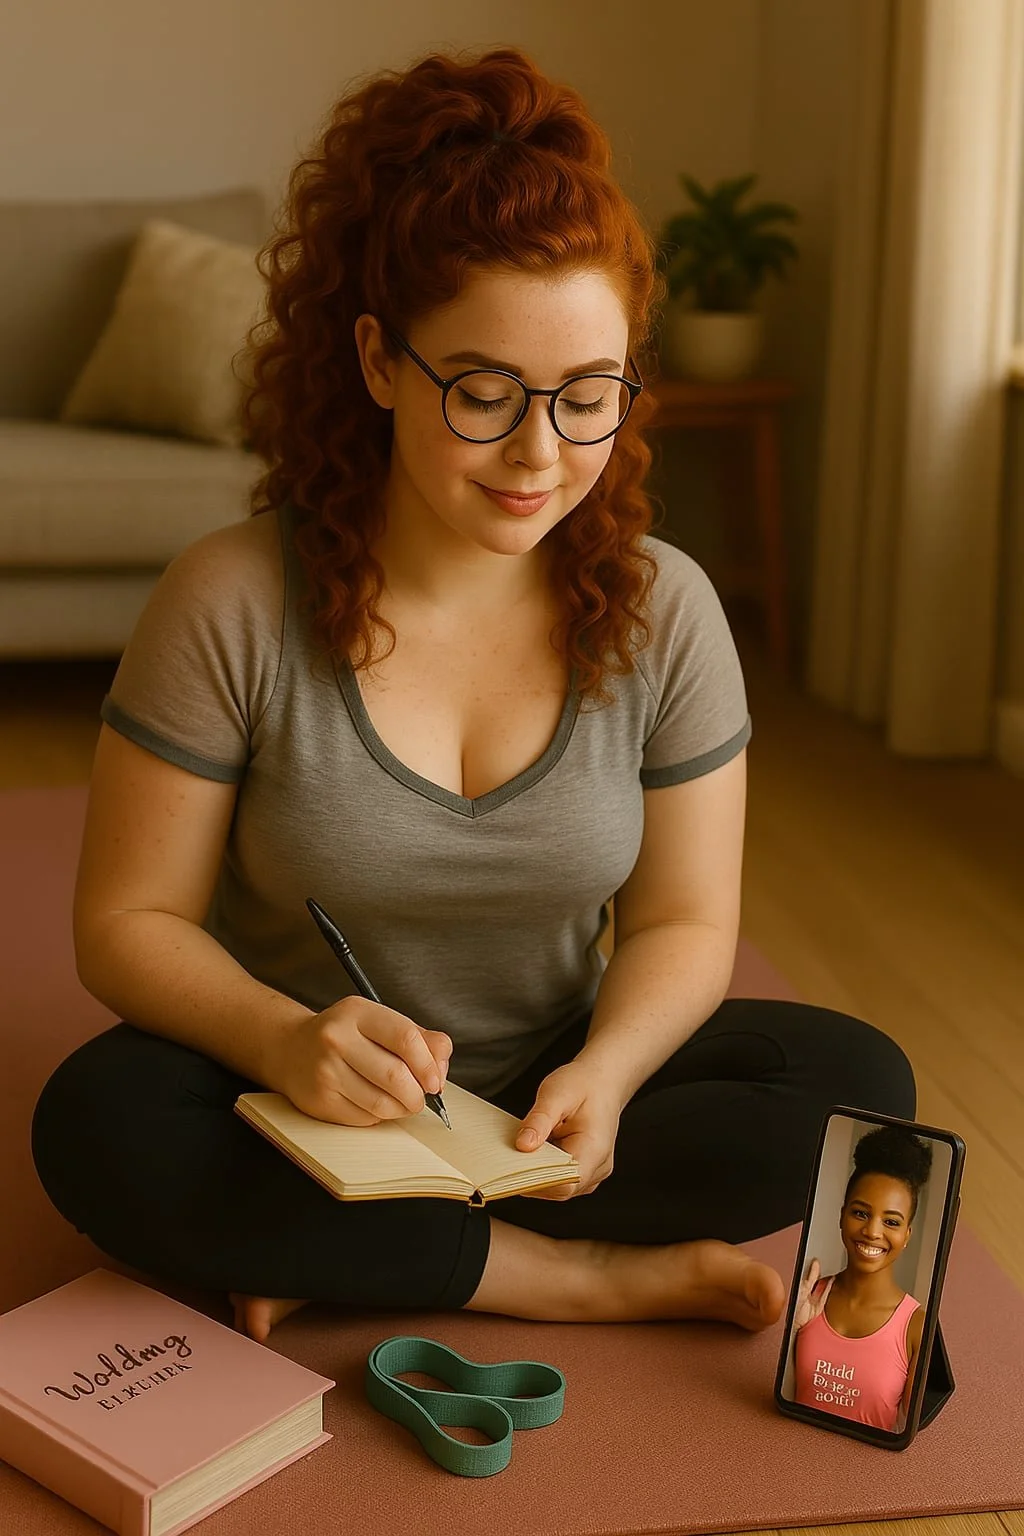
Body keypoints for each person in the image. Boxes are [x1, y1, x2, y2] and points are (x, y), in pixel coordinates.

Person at [31, 46, 916, 1346]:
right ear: (383, 362)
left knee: (859, 1093)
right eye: (488, 393)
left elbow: (681, 921)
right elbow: (128, 921)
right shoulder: (226, 599)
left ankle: (363, 1253)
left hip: (552, 1084)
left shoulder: (666, 609)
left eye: (588, 397)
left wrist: (605, 1081)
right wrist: (287, 1045)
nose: (540, 454)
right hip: (297, 1093)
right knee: (97, 1124)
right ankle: (570, 1279)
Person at [792, 1125, 933, 1431]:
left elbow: (917, 1432)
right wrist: (789, 1329)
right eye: (860, 1213)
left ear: (907, 1234)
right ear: (842, 1216)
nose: (873, 1231)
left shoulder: (917, 1326)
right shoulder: (810, 1296)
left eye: (891, 1221)